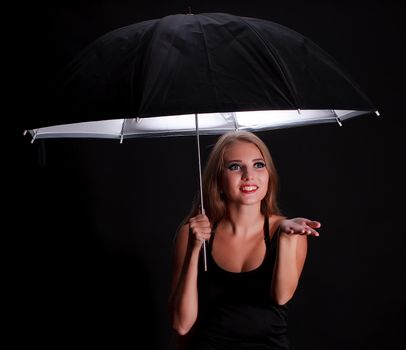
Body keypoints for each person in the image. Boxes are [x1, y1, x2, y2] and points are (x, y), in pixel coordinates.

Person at [168, 130, 321, 350]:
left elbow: (281, 296)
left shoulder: (290, 231)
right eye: (235, 166)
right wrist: (194, 249)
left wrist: (286, 240)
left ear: (269, 174)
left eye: (258, 164)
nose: (249, 175)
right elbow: (181, 325)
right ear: (218, 180)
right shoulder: (191, 234)